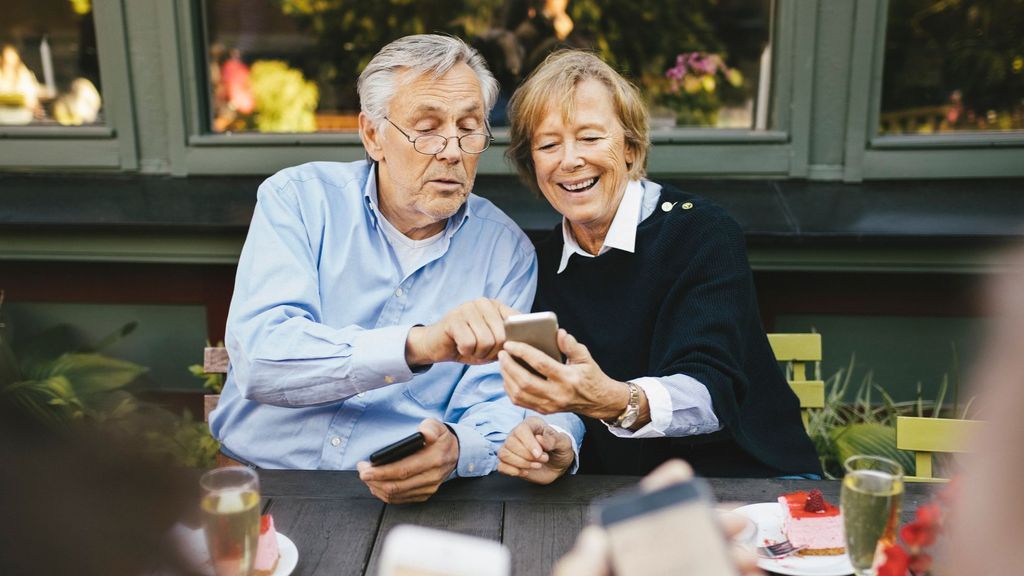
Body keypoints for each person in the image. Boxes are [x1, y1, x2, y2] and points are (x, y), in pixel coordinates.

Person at [209, 34, 583, 504]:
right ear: (372, 135)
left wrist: (457, 450)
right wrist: (420, 344)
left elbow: (500, 399)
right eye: (427, 128)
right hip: (262, 481)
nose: (452, 150)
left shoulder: (504, 250)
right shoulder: (300, 200)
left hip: (401, 496)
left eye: (469, 128)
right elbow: (262, 358)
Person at [494, 50, 820, 481]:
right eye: (549, 144)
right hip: (616, 495)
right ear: (532, 163)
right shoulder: (541, 262)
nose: (569, 160)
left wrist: (613, 399)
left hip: (747, 480)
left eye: (590, 138)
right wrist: (556, 441)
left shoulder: (702, 232)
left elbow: (710, 393)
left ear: (630, 148)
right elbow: (561, 397)